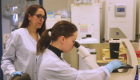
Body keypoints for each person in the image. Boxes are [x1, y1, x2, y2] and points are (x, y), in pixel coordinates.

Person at [37, 20, 125, 80]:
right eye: (73, 41)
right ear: (62, 39)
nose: (74, 44)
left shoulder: (52, 55)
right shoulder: (53, 63)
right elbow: (81, 77)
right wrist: (108, 67)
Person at [1, 4, 47, 80]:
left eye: (44, 17)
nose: (42, 19)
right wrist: (12, 72)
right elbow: (6, 59)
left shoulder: (43, 38)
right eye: (39, 16)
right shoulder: (17, 35)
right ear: (29, 17)